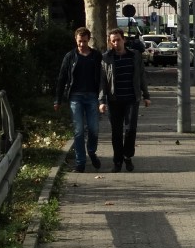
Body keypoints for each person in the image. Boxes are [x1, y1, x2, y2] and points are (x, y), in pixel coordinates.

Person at [98, 27, 151, 173]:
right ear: (110, 42)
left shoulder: (135, 55)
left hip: (132, 98)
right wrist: (101, 101)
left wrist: (146, 96)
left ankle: (127, 156)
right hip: (114, 100)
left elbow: (141, 76)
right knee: (116, 132)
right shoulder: (106, 58)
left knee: (130, 130)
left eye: (118, 40)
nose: (116, 43)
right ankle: (117, 161)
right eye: (113, 41)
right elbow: (102, 81)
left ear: (124, 40)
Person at [54, 27, 103, 173]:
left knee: (94, 128)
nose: (82, 44)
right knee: (79, 130)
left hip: (92, 96)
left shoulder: (96, 56)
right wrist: (58, 99)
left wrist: (102, 98)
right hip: (76, 97)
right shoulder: (70, 57)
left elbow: (102, 78)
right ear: (76, 40)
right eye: (79, 41)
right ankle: (80, 162)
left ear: (89, 40)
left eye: (84, 41)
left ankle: (92, 152)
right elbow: (62, 78)